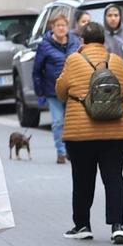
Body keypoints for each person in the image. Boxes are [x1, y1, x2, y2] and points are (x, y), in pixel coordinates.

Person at [55, 21, 123, 244]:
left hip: (81, 133)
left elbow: (60, 92)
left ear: (82, 40)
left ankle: (82, 225)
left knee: (82, 178)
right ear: (104, 40)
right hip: (117, 131)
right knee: (114, 177)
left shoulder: (73, 59)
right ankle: (118, 226)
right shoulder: (116, 61)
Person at [32, 11, 81, 164]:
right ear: (52, 27)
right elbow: (37, 71)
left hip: (72, 89)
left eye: (64, 25)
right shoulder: (44, 45)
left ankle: (72, 150)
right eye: (58, 25)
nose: (61, 28)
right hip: (52, 91)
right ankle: (61, 151)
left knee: (73, 122)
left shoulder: (75, 42)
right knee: (58, 121)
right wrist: (39, 93)